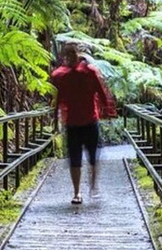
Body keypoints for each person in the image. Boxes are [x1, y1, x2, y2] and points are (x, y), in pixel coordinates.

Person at [50, 43, 117, 205]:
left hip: (90, 121)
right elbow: (58, 99)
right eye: (66, 57)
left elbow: (101, 93)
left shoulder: (89, 72)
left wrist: (108, 111)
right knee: (75, 159)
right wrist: (55, 118)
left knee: (93, 157)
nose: (69, 59)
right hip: (72, 122)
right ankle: (77, 192)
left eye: (71, 56)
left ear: (77, 55)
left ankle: (93, 186)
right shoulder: (62, 76)